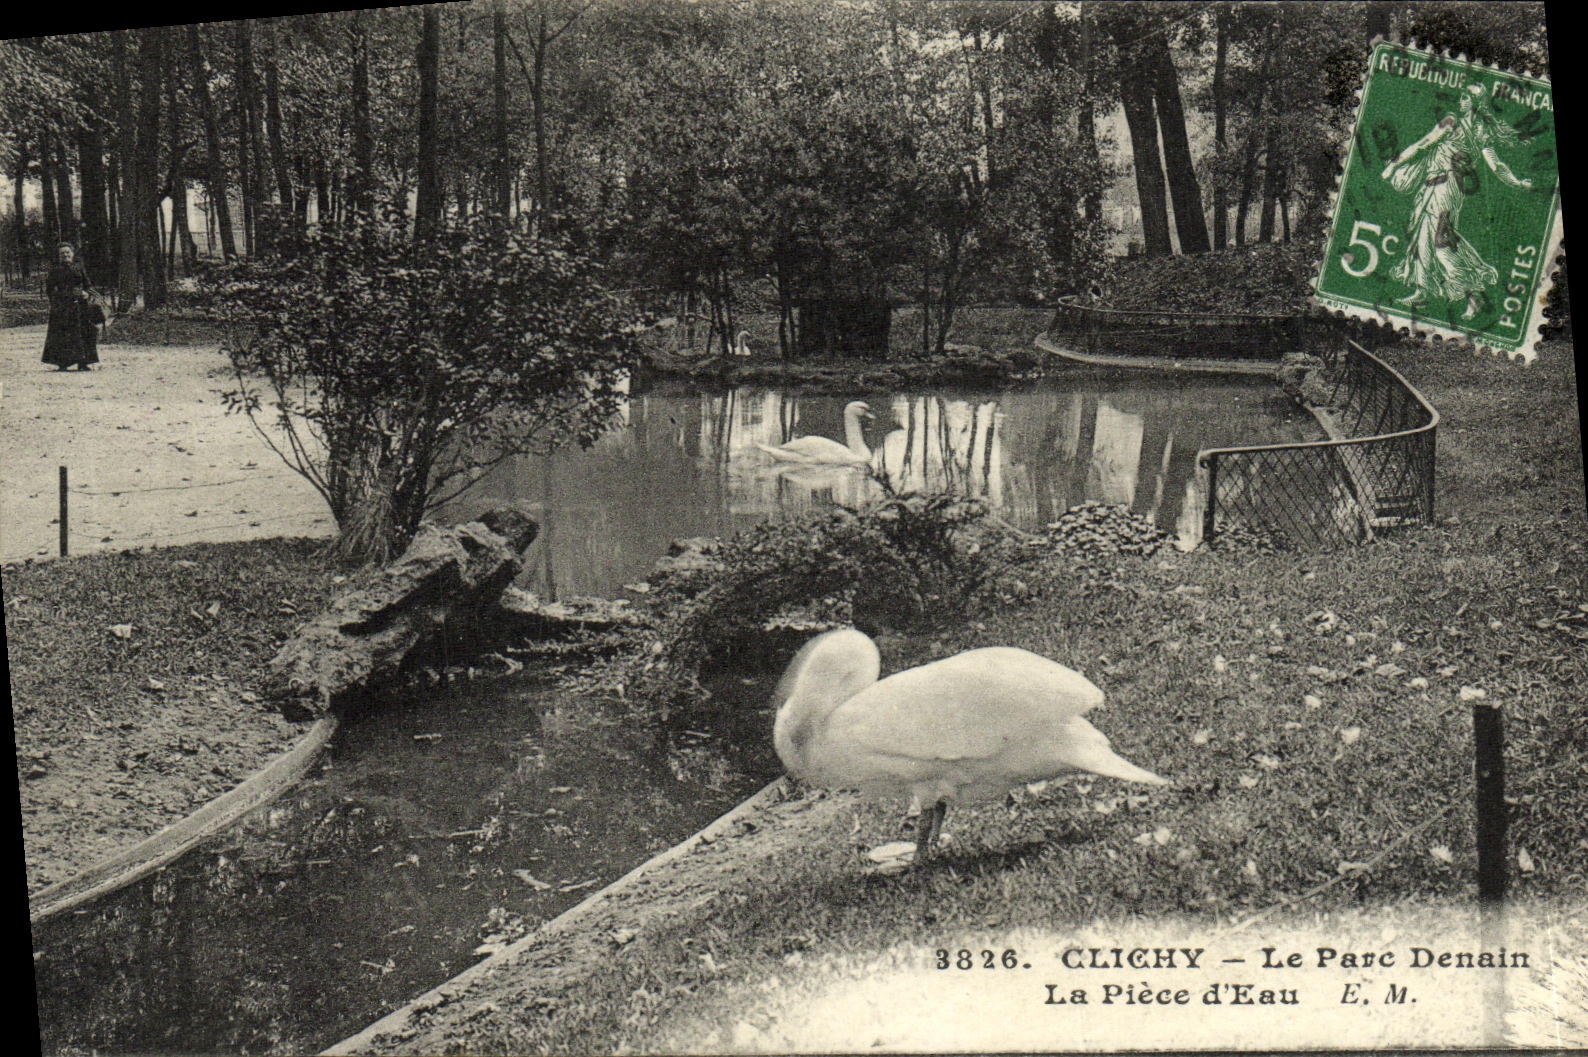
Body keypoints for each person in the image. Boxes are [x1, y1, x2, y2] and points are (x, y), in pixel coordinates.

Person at [1380, 83, 1534, 320]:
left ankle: (1473, 294)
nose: (1461, 101)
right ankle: (1422, 290)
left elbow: (1423, 144)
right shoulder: (1473, 130)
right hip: (1431, 185)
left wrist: (1393, 164)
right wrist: (1517, 182)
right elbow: (1496, 166)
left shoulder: (1462, 126)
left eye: (1465, 97)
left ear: (1475, 102)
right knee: (1423, 235)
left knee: (1442, 242)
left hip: (1447, 187)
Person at [41, 243, 101, 372]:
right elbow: (50, 289)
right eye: (62, 253)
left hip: (80, 305)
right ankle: (63, 363)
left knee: (83, 332)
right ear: (59, 256)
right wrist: (57, 302)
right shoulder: (55, 270)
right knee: (63, 334)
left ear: (72, 254)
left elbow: (88, 284)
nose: (65, 255)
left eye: (67, 252)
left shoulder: (79, 267)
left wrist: (86, 293)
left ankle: (83, 363)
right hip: (63, 307)